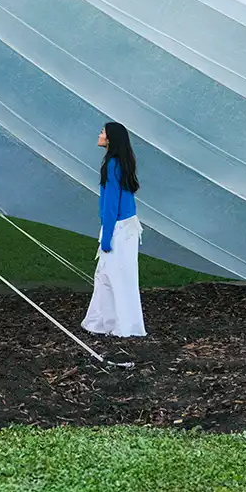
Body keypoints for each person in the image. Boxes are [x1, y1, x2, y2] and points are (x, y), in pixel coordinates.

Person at [82, 121, 146, 337]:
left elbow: (111, 204)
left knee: (110, 277)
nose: (99, 134)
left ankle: (116, 324)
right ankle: (118, 322)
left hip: (118, 228)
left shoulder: (111, 165)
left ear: (110, 139)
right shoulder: (122, 163)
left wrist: (106, 237)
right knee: (121, 277)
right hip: (128, 226)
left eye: (103, 132)